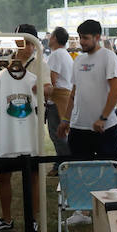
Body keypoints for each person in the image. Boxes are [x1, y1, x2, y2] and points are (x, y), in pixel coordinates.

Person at [0, 26, 48, 232]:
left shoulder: (40, 65)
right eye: (23, 42)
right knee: (4, 176)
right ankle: (6, 217)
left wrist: (40, 88)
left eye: (30, 43)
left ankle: (34, 219)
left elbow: (49, 88)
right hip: (7, 136)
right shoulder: (4, 66)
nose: (27, 47)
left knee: (33, 177)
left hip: (31, 133)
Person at [62, 19, 117, 159]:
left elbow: (116, 89)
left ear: (97, 37)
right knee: (80, 172)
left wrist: (103, 118)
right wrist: (66, 119)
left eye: (85, 38)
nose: (81, 41)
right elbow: (74, 93)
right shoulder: (78, 60)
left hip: (104, 128)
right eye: (80, 37)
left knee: (112, 170)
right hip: (78, 127)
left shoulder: (108, 56)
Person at [44, 26, 74, 164]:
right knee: (61, 133)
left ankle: (63, 164)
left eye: (51, 35)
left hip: (57, 98)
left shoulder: (56, 55)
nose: (49, 38)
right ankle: (64, 162)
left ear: (55, 38)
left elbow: (52, 80)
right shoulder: (64, 54)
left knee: (57, 134)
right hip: (64, 96)